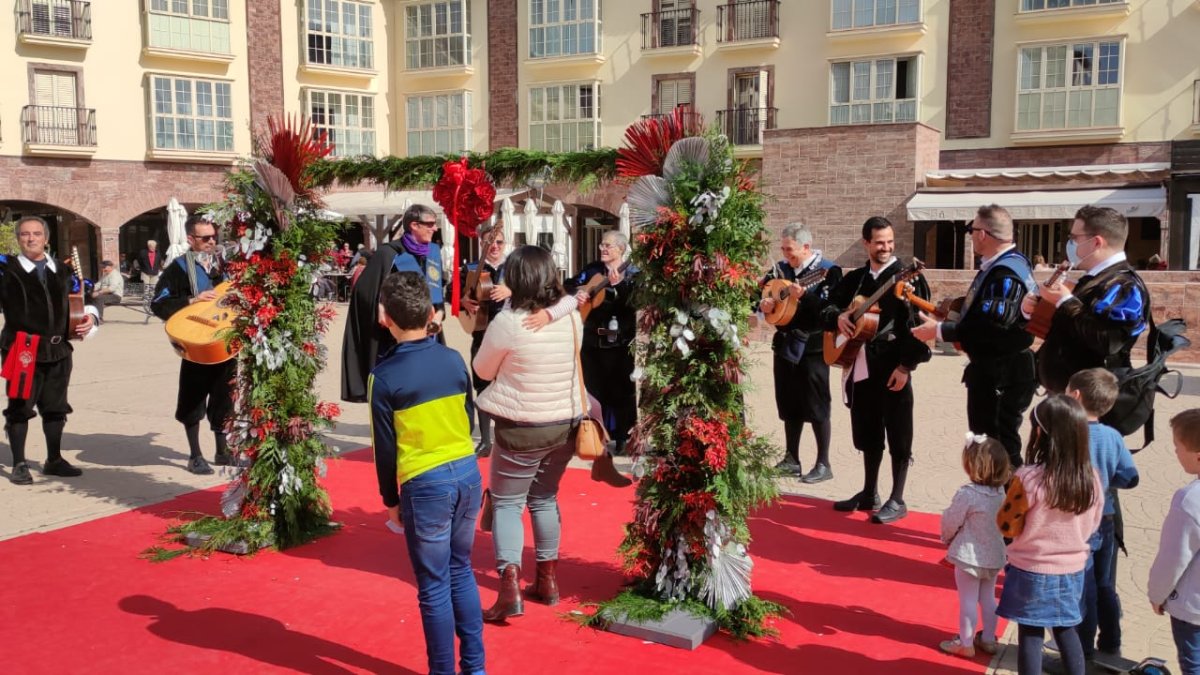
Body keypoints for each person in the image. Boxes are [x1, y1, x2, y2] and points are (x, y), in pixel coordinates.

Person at [369, 271, 484, 675]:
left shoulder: (383, 376)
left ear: (386, 317)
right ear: (431, 313)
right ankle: (475, 667)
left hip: (426, 480)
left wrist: (390, 500)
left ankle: (442, 671)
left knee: (434, 585)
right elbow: (468, 417)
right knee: (461, 568)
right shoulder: (453, 359)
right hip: (467, 471)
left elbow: (384, 448)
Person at [472, 246, 584, 623]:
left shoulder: (509, 322)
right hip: (563, 424)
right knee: (544, 498)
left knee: (506, 502)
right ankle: (547, 581)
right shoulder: (569, 318)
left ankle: (509, 589)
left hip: (521, 426)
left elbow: (482, 369)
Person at [822, 216, 931, 524]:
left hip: (894, 363)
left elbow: (920, 327)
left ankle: (898, 497)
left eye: (890, 242)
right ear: (866, 243)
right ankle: (870, 492)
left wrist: (906, 366)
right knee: (868, 429)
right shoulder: (855, 278)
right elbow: (827, 306)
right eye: (879, 242)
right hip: (861, 364)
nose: (886, 248)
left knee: (898, 430)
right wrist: (837, 318)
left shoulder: (908, 277)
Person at [913, 205, 1037, 470]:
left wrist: (939, 331)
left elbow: (992, 326)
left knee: (998, 447)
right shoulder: (1010, 264)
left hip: (1001, 373)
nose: (970, 236)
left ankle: (1009, 508)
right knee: (991, 445)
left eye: (971, 230)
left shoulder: (1006, 273)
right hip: (998, 371)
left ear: (983, 234)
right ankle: (996, 505)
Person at [996, 395, 1104, 675]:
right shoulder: (1091, 477)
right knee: (1066, 629)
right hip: (1072, 570)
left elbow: (1008, 525)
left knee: (1031, 633)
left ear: (1040, 432)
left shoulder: (1029, 477)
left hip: (1031, 568)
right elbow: (1094, 523)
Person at [1049, 368, 1138, 673]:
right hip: (1108, 517)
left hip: (1078, 521)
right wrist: (1108, 479)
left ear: (1074, 396)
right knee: (1105, 584)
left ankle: (1081, 651)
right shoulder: (1113, 436)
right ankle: (1111, 640)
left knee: (1083, 587)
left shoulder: (1064, 433)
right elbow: (1130, 477)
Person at [1, 215, 97, 484]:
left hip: (59, 350)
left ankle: (54, 459)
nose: (31, 238)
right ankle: (19, 462)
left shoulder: (63, 269)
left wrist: (90, 318)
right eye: (24, 234)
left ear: (46, 238)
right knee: (20, 406)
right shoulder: (6, 269)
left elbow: (86, 298)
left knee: (56, 407)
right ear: (18, 239)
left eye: (36, 234)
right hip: (22, 349)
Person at [1024, 205, 1151, 394]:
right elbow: (1067, 329)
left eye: (1074, 238)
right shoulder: (1093, 279)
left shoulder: (1125, 285)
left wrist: (1066, 302)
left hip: (1091, 401)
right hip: (1066, 395)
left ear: (1096, 242)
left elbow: (1109, 341)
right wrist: (1032, 309)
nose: (1070, 243)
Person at [757, 222, 841, 482]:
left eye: (790, 250)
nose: (785, 255)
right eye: (782, 249)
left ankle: (823, 463)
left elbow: (832, 311)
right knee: (789, 403)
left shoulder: (828, 271)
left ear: (806, 247)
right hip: (784, 345)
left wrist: (805, 296)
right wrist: (764, 303)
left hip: (814, 347)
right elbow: (756, 295)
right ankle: (791, 458)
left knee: (817, 405)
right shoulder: (780, 270)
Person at [151, 216, 235, 475]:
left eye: (213, 237)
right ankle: (194, 455)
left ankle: (223, 452)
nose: (211, 242)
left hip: (224, 341)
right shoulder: (177, 268)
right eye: (205, 238)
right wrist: (191, 300)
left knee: (226, 399)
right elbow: (158, 303)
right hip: (195, 343)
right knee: (193, 399)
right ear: (190, 239)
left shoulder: (225, 266)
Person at [342, 204, 445, 403]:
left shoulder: (433, 253)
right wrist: (380, 305)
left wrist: (438, 318)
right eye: (430, 224)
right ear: (414, 225)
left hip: (428, 335)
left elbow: (437, 295)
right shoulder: (388, 253)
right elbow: (364, 292)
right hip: (393, 341)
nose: (435, 228)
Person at [938, 434, 1010, 658]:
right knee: (988, 598)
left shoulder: (967, 494)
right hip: (994, 554)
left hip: (969, 555)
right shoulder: (1001, 493)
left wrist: (946, 538)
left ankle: (965, 641)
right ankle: (988, 638)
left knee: (968, 599)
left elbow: (951, 520)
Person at [567, 231, 638, 456]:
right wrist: (577, 294)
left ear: (621, 249)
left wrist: (620, 287)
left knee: (620, 392)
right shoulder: (592, 270)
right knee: (593, 391)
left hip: (619, 344)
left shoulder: (633, 273)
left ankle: (622, 438)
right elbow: (568, 284)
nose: (603, 249)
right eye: (601, 245)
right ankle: (594, 436)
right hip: (591, 342)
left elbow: (635, 302)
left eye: (608, 246)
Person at [1148, 409, 1200, 675]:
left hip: (1193, 610)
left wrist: (1157, 594)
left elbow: (1173, 558)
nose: (1175, 452)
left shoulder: (1189, 501)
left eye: (1177, 447)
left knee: (1194, 665)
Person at [460, 222, 511, 457]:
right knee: (482, 384)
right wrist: (463, 301)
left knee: (509, 385)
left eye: (499, 242)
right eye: (490, 242)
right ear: (482, 243)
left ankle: (508, 439)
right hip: (482, 333)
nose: (495, 247)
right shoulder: (470, 268)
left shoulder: (514, 268)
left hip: (509, 334)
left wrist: (511, 291)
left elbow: (533, 291)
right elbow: (457, 292)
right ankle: (485, 440)